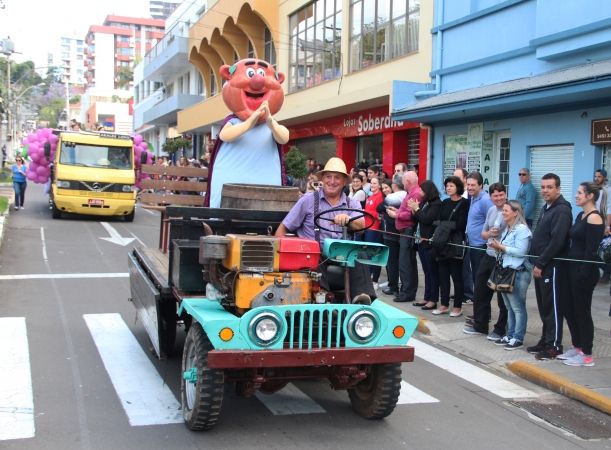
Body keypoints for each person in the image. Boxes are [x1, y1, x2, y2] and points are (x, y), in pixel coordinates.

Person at [275, 157, 375, 304]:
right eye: (328, 176)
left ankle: (361, 299)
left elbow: (361, 224)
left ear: (344, 182)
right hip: (314, 254)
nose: (332, 181)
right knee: (313, 253)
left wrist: (349, 220)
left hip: (341, 255)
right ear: (322, 179)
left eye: (337, 178)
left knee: (359, 252)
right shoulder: (307, 200)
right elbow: (282, 230)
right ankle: (324, 299)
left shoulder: (352, 203)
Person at [205, 59, 289, 208]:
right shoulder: (233, 121)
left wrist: (269, 121)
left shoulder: (270, 125)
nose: (258, 80)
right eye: (251, 74)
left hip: (265, 195)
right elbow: (225, 135)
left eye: (262, 74)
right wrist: (250, 122)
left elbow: (284, 138)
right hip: (229, 193)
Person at [527, 173, 572, 360]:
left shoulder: (562, 210)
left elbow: (557, 241)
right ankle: (545, 340)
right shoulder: (547, 208)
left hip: (551, 266)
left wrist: (541, 262)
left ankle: (554, 344)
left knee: (552, 306)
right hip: (540, 265)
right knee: (544, 305)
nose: (545, 190)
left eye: (549, 187)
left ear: (558, 189)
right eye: (543, 187)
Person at [560, 182, 605, 366]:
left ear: (590, 196)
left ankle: (587, 354)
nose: (576, 195)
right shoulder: (580, 215)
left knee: (582, 312)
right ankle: (577, 346)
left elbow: (591, 251)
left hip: (584, 272)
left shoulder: (595, 218)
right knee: (568, 308)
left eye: (580, 193)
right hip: (571, 269)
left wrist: (582, 273)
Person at [463, 183, 508, 339]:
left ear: (505, 194)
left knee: (503, 296)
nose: (499, 198)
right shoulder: (491, 210)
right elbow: (483, 234)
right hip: (489, 255)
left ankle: (501, 329)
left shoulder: (511, 210)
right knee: (481, 291)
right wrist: (490, 233)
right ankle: (480, 325)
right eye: (495, 195)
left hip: (503, 258)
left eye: (501, 194)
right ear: (491, 197)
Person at [487, 201, 532, 350]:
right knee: (509, 306)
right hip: (505, 271)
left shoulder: (522, 230)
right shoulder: (508, 228)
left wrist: (501, 247)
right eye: (503, 210)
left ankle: (518, 337)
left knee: (518, 307)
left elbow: (521, 251)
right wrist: (497, 247)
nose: (503, 213)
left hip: (518, 272)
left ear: (516, 212)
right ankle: (510, 334)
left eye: (506, 210)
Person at [432, 176, 469, 316]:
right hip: (442, 243)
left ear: (458, 187)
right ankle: (444, 304)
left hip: (455, 243)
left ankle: (457, 306)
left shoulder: (464, 203)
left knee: (456, 275)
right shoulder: (445, 202)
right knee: (443, 275)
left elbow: (461, 224)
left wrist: (444, 225)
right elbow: (437, 220)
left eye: (451, 186)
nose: (448, 188)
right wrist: (446, 225)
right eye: (447, 186)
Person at [386, 171, 423, 303]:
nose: (402, 184)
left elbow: (412, 215)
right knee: (407, 262)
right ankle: (407, 291)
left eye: (403, 182)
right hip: (405, 231)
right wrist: (398, 211)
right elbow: (408, 211)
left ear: (407, 182)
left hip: (408, 231)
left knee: (406, 263)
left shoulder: (416, 193)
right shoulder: (412, 193)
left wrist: (397, 215)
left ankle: (407, 292)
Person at [409, 180, 442, 310]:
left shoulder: (436, 204)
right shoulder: (425, 202)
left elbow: (426, 219)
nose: (421, 193)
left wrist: (416, 209)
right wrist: (414, 210)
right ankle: (426, 297)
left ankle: (433, 299)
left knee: (433, 272)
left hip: (429, 241)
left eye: (422, 190)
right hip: (420, 240)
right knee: (427, 272)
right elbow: (417, 218)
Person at [465, 172, 494, 294]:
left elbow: (492, 222)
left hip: (481, 246)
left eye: (473, 185)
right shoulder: (473, 197)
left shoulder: (485, 200)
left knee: (480, 279)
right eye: (468, 184)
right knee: (476, 278)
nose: (470, 187)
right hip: (472, 244)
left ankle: (481, 312)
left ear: (481, 185)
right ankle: (478, 310)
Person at [379, 179, 406, 296]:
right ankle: (393, 284)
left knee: (394, 261)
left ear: (393, 186)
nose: (385, 190)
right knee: (392, 261)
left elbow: (380, 207)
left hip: (394, 233)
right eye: (383, 188)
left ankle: (394, 286)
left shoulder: (396, 197)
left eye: (387, 187)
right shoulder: (393, 197)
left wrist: (386, 208)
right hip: (389, 232)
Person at [453, 168, 474, 303]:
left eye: (457, 177)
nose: (454, 180)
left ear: (465, 178)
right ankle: (460, 292)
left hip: (468, 235)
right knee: (458, 265)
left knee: (467, 266)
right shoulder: (458, 195)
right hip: (459, 234)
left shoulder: (469, 196)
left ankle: (468, 293)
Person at [363, 177, 385, 289]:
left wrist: (365, 211)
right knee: (367, 253)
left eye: (375, 183)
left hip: (375, 228)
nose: (372, 185)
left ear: (379, 185)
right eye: (371, 183)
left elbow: (379, 215)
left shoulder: (380, 197)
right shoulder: (370, 196)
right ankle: (369, 277)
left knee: (373, 253)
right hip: (367, 227)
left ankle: (374, 279)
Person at [593, 169, 611, 283]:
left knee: (604, 250)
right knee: (594, 250)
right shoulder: (595, 189)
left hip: (604, 224)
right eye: (595, 176)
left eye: (599, 176)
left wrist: (607, 226)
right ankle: (606, 270)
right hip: (595, 221)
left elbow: (609, 208)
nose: (596, 178)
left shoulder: (608, 190)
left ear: (604, 177)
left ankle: (607, 272)